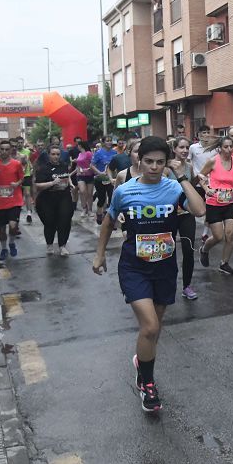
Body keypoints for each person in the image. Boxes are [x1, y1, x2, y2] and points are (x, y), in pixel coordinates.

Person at [92, 136, 205, 413]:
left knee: (152, 330)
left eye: (160, 162)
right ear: (138, 161)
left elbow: (200, 210)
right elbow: (108, 223)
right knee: (151, 327)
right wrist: (99, 255)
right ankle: (147, 383)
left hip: (165, 267)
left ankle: (141, 362)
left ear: (168, 164)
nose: (154, 167)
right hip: (134, 267)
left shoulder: (173, 188)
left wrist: (181, 177)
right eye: (149, 162)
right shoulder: (125, 191)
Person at [199, 136, 233, 276]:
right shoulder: (213, 161)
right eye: (225, 147)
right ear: (220, 147)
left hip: (230, 202)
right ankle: (205, 249)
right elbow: (201, 176)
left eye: (231, 147)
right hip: (214, 202)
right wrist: (207, 189)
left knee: (230, 235)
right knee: (218, 236)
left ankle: (224, 263)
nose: (228, 150)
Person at [169, 137, 199, 300]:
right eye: (181, 147)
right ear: (174, 149)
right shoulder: (167, 169)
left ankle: (186, 285)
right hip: (170, 215)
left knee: (188, 250)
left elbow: (191, 188)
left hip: (186, 214)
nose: (185, 150)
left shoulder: (189, 167)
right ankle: (169, 283)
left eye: (187, 147)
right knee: (169, 251)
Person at [34, 145, 75, 256]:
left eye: (57, 154)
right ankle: (50, 244)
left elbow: (67, 176)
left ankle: (62, 246)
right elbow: (37, 185)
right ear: (48, 155)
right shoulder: (43, 168)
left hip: (64, 197)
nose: (56, 156)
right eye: (53, 154)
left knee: (65, 220)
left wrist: (70, 184)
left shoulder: (64, 165)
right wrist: (52, 183)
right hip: (47, 199)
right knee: (50, 222)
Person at [91, 137, 118, 224]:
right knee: (102, 198)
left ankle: (110, 218)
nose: (109, 142)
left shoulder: (115, 152)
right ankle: (99, 214)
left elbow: (116, 165)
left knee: (112, 197)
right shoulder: (98, 153)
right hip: (100, 179)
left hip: (111, 179)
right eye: (107, 141)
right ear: (103, 143)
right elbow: (92, 165)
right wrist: (99, 173)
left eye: (110, 141)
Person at [74, 142, 94, 217]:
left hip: (89, 175)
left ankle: (90, 210)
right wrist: (78, 171)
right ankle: (84, 208)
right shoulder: (79, 154)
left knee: (90, 193)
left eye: (78, 145)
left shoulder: (88, 153)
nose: (77, 147)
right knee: (82, 191)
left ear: (81, 146)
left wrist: (88, 169)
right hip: (80, 176)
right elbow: (78, 164)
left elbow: (92, 163)